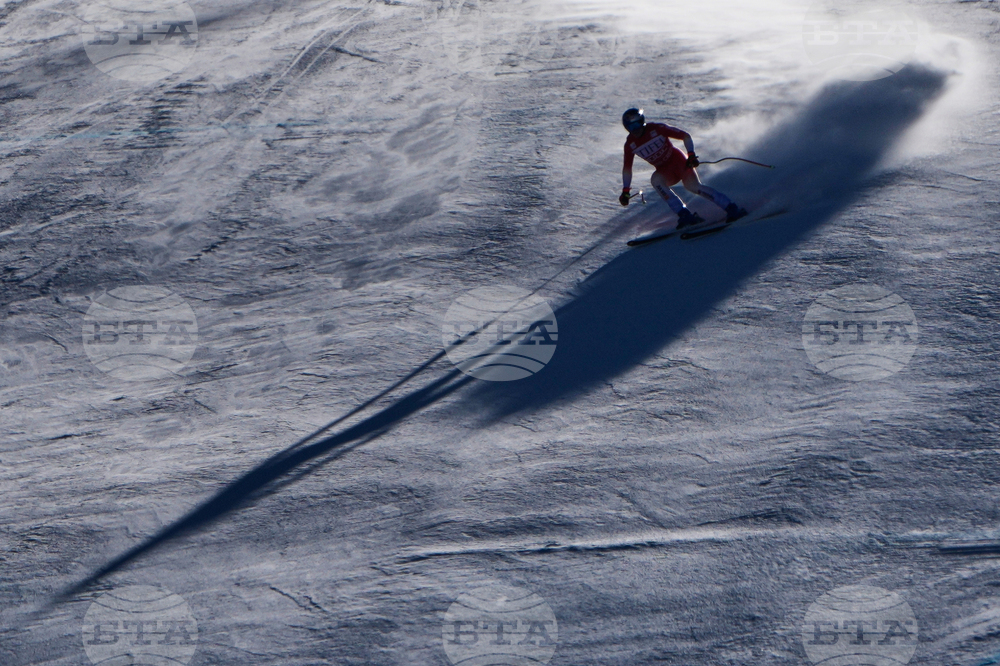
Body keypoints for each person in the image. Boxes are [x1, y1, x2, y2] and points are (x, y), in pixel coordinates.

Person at [618, 108, 747, 228]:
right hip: (665, 171)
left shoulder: (657, 129)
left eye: (637, 124)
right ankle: (684, 215)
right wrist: (625, 191)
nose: (635, 130)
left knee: (693, 186)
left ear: (642, 122)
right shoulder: (630, 144)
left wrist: (691, 155)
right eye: (631, 127)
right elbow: (627, 169)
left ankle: (731, 207)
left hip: (679, 162)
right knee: (656, 180)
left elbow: (685, 136)